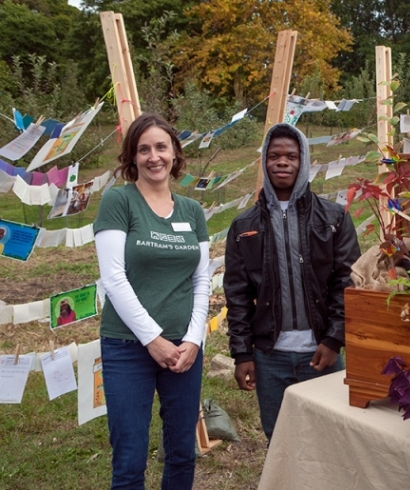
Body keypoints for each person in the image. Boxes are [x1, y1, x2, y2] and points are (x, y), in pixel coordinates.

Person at [94, 113, 210, 490]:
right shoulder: (118, 201)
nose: (153, 156)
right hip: (128, 347)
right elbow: (113, 278)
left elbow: (202, 279)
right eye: (143, 149)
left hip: (184, 350)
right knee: (129, 457)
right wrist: (153, 340)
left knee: (182, 451)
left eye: (161, 147)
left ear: (175, 153)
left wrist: (193, 340)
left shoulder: (192, 211)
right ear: (132, 157)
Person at [224, 123, 361, 442]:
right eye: (274, 156)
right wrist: (243, 354)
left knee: (331, 437)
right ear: (264, 161)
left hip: (321, 353)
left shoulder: (334, 218)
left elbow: (348, 281)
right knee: (281, 437)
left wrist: (333, 339)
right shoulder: (244, 226)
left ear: (304, 161)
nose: (282, 162)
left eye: (291, 156)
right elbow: (237, 295)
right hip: (269, 356)